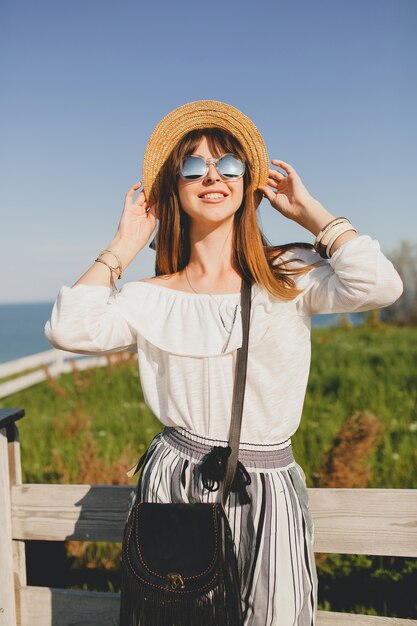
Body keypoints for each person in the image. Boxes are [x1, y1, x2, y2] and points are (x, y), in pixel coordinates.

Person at [44, 100, 403, 625]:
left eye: (229, 163)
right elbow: (70, 328)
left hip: (268, 485)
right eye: (193, 166)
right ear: (174, 187)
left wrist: (314, 214)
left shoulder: (291, 275)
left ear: (248, 181)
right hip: (175, 482)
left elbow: (380, 285)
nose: (212, 176)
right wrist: (123, 246)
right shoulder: (152, 295)